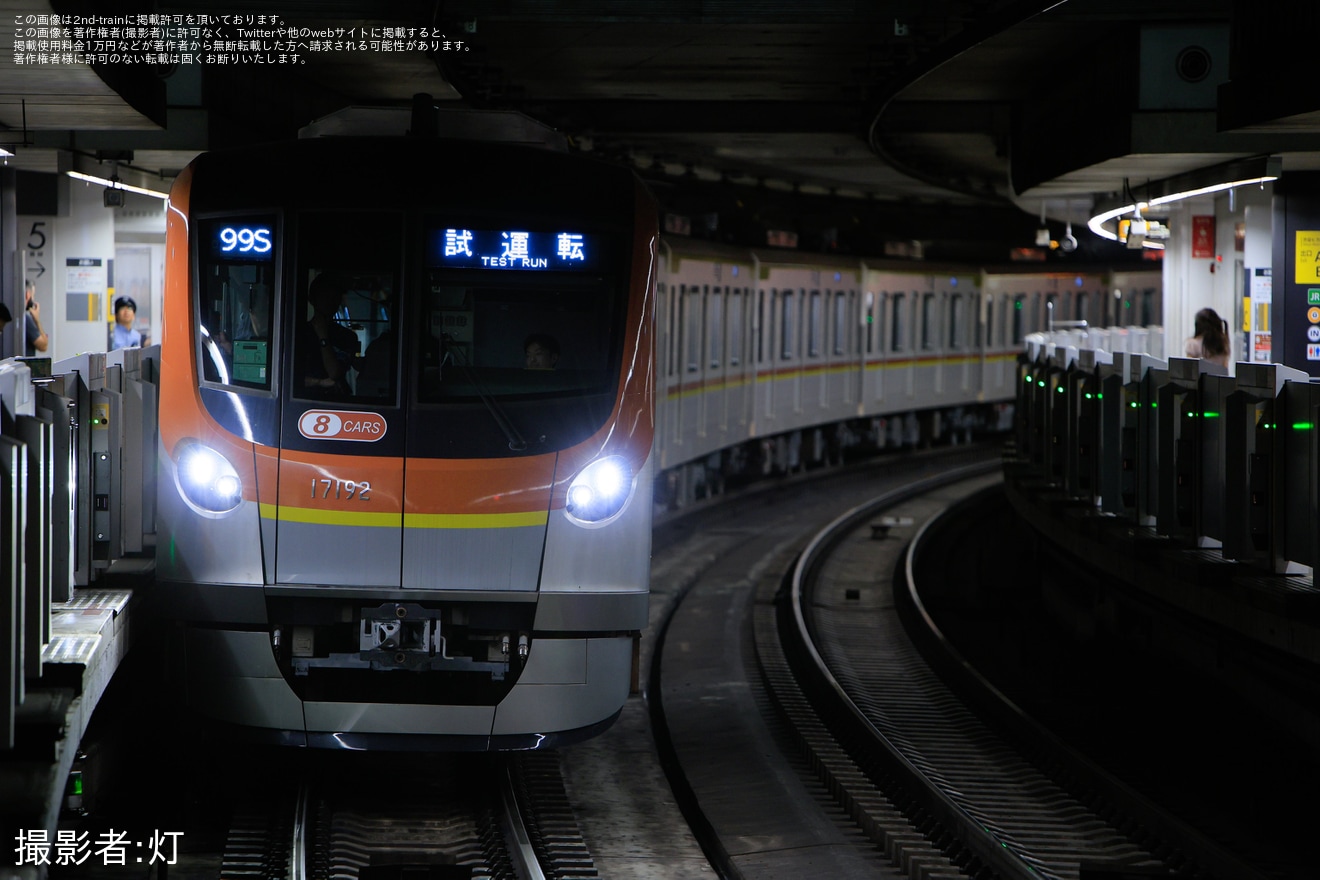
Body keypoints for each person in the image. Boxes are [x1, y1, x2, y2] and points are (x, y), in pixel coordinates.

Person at [299, 272, 359, 396]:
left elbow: (335, 373)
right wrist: (319, 382)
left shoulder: (347, 337)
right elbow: (288, 376)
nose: (330, 302)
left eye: (335, 297)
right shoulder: (298, 334)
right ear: (312, 299)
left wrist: (323, 337)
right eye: (325, 296)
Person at [24, 279, 48, 357]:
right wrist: (37, 320)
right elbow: (43, 346)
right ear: (28, 295)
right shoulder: (25, 320)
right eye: (33, 295)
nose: (33, 300)